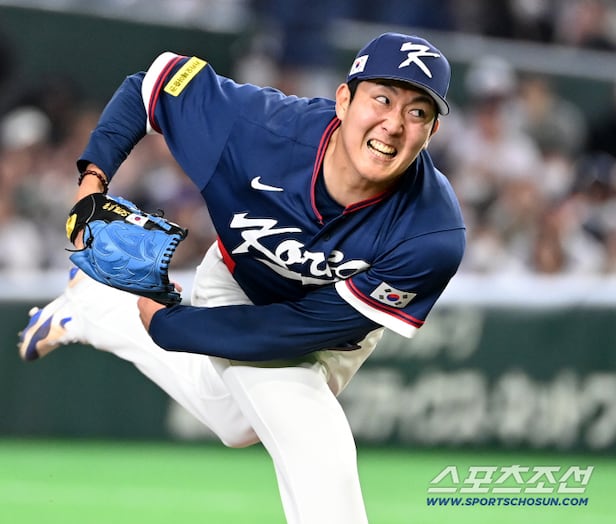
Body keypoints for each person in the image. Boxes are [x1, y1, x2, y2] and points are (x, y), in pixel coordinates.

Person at [18, 32, 465, 523]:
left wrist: (171, 325)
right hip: (239, 282)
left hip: (329, 322)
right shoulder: (257, 127)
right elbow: (150, 87)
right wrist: (92, 180)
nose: (394, 124)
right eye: (382, 98)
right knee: (316, 444)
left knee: (235, 422)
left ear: (432, 132)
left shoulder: (432, 234)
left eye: (417, 112)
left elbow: (296, 328)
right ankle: (106, 308)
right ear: (344, 100)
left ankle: (100, 307)